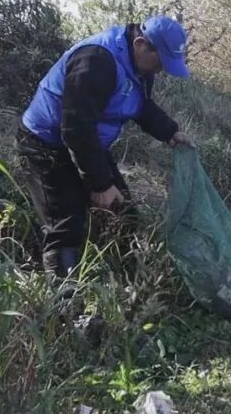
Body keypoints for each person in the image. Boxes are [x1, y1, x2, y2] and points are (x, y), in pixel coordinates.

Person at [17, 15, 195, 281]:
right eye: (160, 62)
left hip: (87, 144)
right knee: (66, 225)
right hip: (46, 145)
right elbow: (75, 128)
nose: (160, 70)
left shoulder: (140, 68)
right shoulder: (96, 61)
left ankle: (129, 288)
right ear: (140, 43)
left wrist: (170, 131)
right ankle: (65, 306)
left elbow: (139, 104)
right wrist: (99, 184)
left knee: (124, 214)